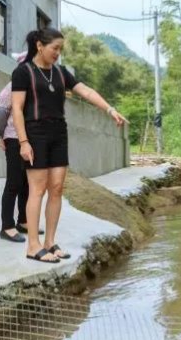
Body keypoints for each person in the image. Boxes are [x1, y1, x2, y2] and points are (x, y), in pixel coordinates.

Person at [11, 28, 128, 263]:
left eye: (60, 49)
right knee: (38, 189)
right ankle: (33, 246)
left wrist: (110, 109)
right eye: (55, 48)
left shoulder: (61, 73)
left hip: (58, 133)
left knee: (56, 188)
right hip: (35, 133)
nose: (58, 53)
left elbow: (85, 91)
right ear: (40, 46)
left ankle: (50, 242)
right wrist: (23, 141)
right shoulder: (23, 72)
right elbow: (16, 108)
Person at [0, 51, 45, 243]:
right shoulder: (12, 88)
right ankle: (6, 227)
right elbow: (0, 116)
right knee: (14, 182)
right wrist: (2, 136)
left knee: (26, 183)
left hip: (32, 141)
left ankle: (23, 221)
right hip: (15, 139)